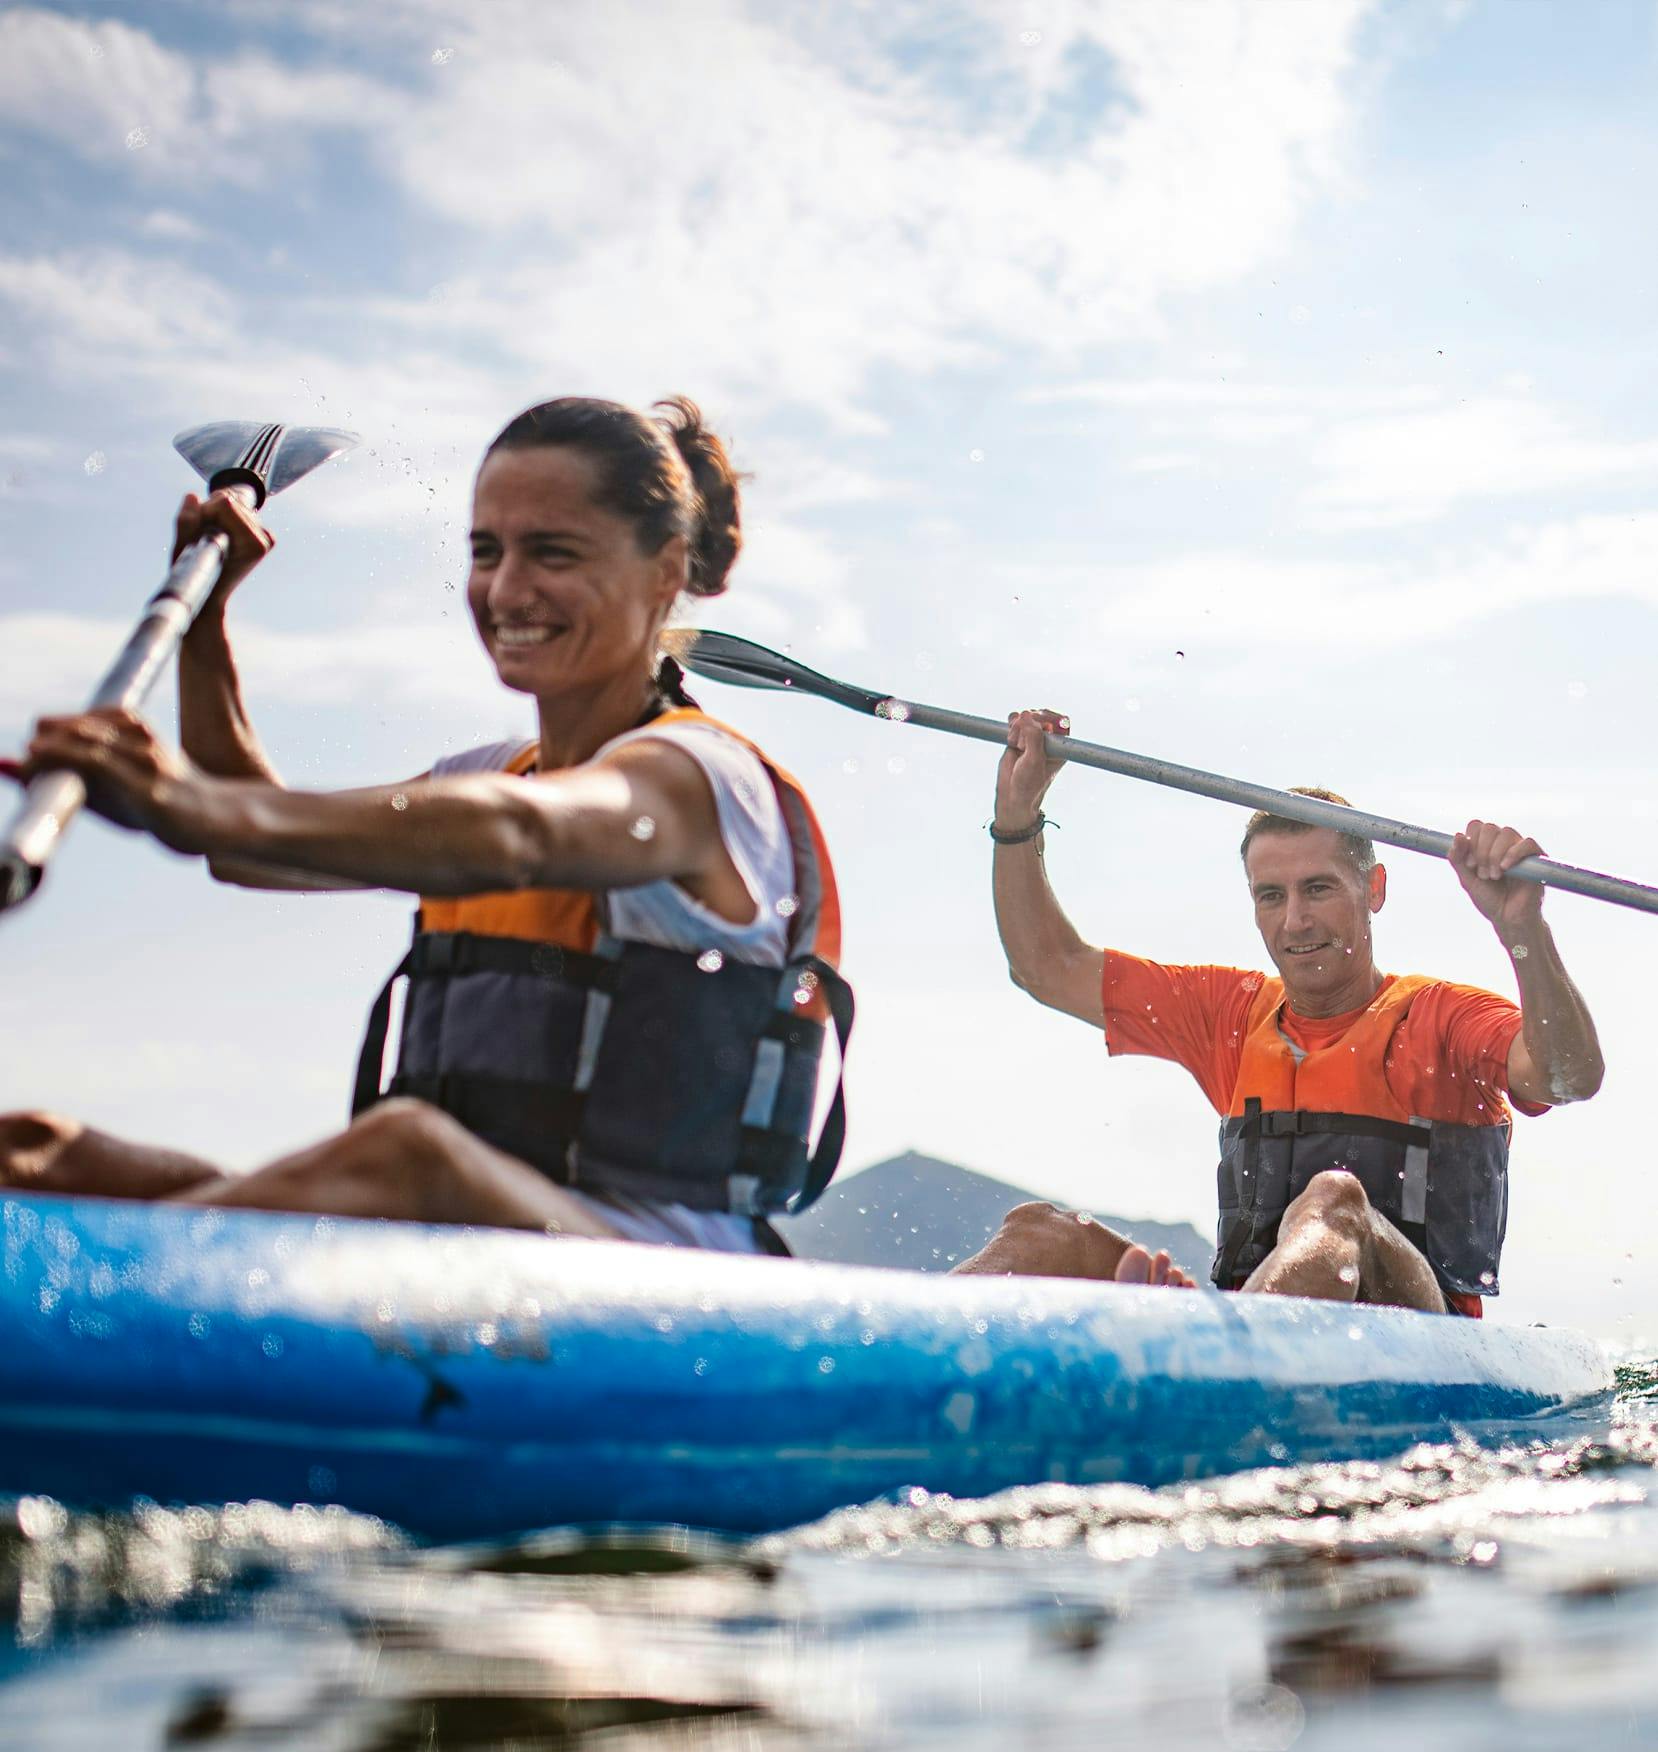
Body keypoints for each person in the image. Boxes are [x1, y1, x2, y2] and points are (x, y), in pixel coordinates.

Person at [0, 397, 850, 1255]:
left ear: (667, 570)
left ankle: (88, 1305)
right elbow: (249, 844)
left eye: (552, 553)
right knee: (36, 1152)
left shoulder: (700, 779)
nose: (508, 590)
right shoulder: (489, 771)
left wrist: (186, 800)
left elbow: (520, 834)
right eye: (488, 551)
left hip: (666, 1275)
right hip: (469, 1240)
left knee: (406, 1153)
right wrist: (208, 620)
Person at [953, 709, 1604, 1315]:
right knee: (1037, 1232)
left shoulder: (1444, 1018)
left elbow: (1567, 1077)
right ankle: (863, 1371)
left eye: (1318, 889)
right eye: (1271, 896)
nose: (1295, 921)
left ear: (1372, 889)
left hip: (1420, 1338)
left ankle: (1221, 1366)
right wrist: (1018, 811)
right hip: (1258, 1322)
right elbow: (1045, 967)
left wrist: (1522, 928)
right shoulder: (1228, 1015)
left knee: (1334, 1201)